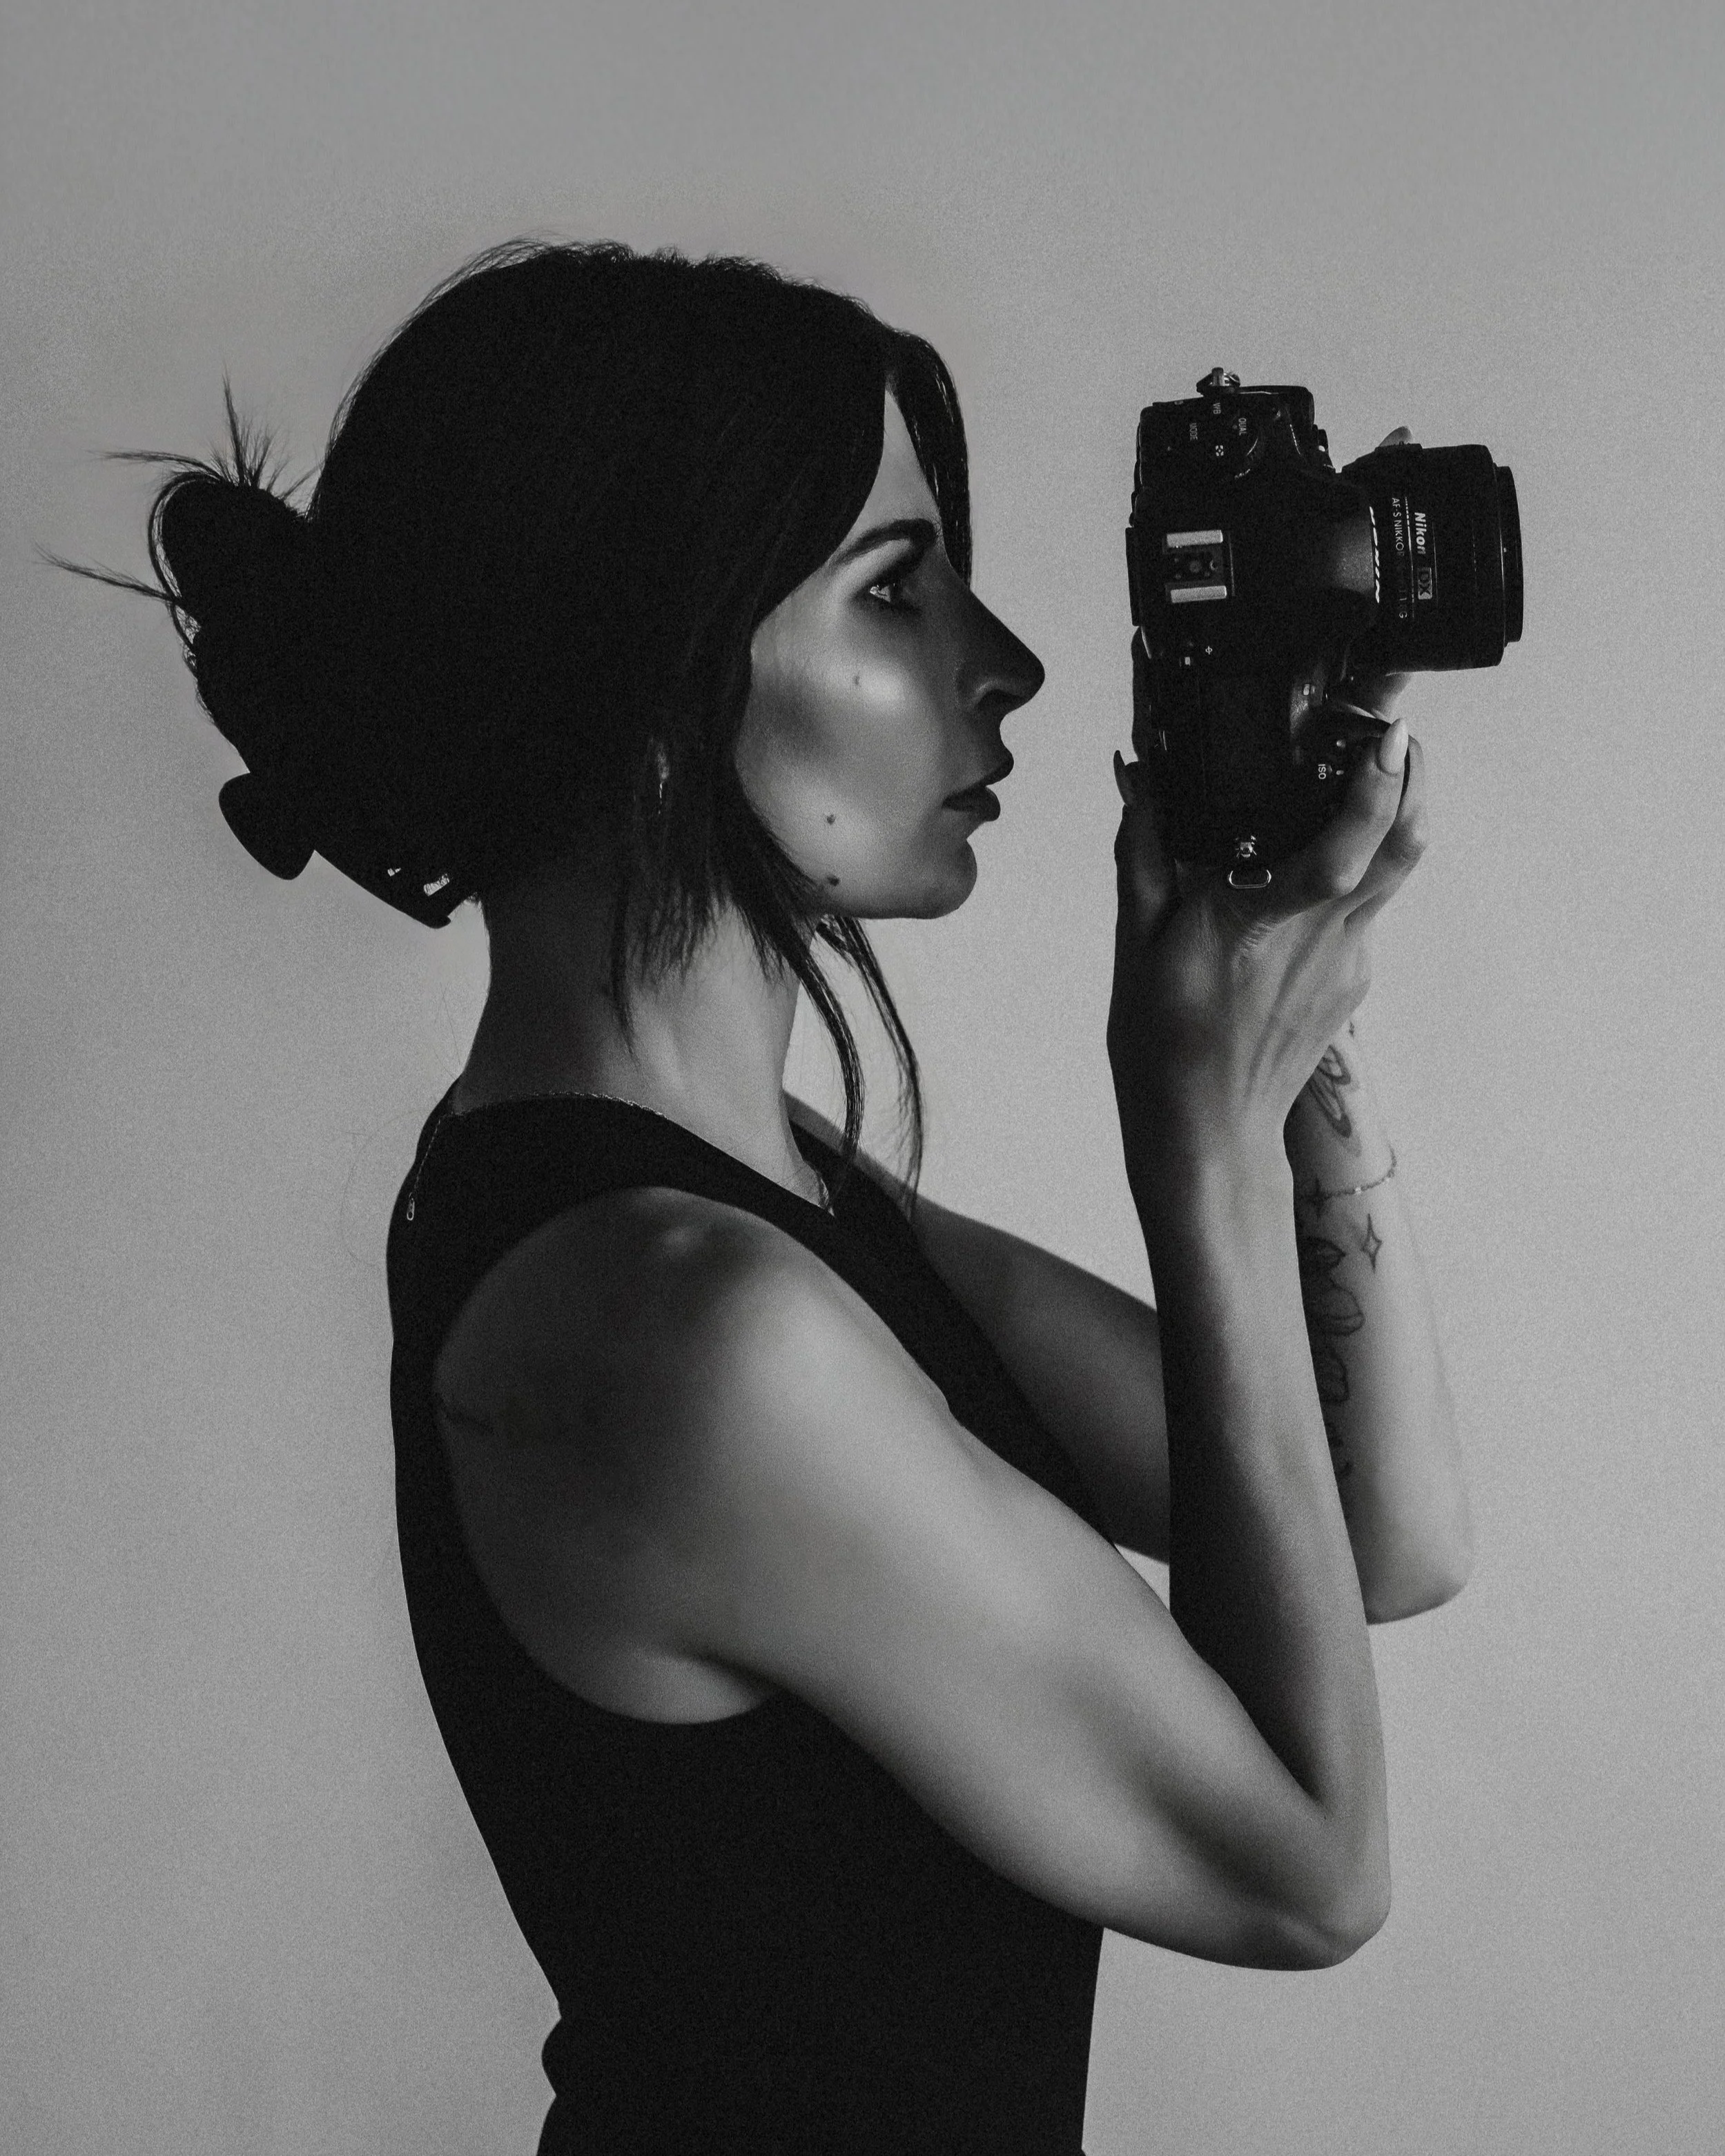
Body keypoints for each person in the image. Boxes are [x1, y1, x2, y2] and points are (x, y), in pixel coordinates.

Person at [97, 239, 1470, 2155]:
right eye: (894, 593)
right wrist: (1200, 1139)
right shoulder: (683, 1328)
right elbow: (1303, 1867)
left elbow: (1376, 1520)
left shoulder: (762, 1197)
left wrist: (1292, 960)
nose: (1004, 663)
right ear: (653, 663)